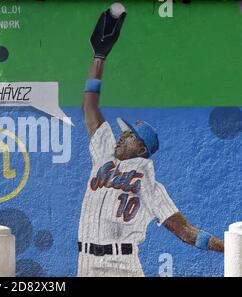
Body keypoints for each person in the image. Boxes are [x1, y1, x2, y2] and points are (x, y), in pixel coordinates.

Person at [78, 7, 224, 277]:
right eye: (124, 132)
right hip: (85, 262)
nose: (122, 135)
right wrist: (99, 57)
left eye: (130, 135)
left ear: (142, 148)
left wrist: (229, 247)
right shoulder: (104, 154)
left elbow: (187, 233)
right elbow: (89, 109)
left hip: (121, 265)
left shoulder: (149, 186)